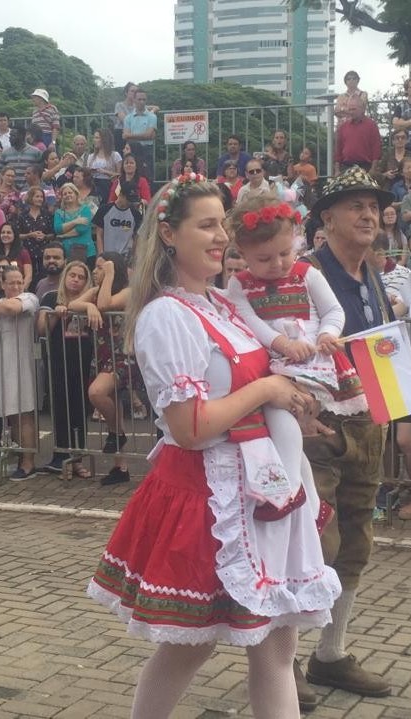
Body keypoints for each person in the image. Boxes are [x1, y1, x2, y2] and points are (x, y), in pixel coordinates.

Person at [87, 176, 341, 718]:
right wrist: (268, 389)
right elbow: (190, 427)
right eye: (206, 224)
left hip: (262, 486)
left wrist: (295, 402)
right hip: (212, 494)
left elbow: (253, 387)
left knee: (277, 643)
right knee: (189, 643)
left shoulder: (224, 305)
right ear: (169, 235)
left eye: (222, 223)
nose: (221, 235)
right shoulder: (167, 316)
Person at [297, 167, 395, 703]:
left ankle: (330, 656)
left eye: (373, 206)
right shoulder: (302, 273)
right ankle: (280, 661)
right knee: (309, 541)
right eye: (353, 205)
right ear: (327, 218)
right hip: (318, 423)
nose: (367, 214)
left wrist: (390, 413)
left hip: (366, 419)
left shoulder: (373, 273)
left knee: (355, 539)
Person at [226, 195, 361, 536]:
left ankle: (284, 493)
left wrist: (329, 334)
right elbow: (249, 322)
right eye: (264, 258)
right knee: (281, 424)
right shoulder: (239, 285)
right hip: (275, 363)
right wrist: (282, 343)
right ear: (242, 253)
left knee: (282, 419)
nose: (278, 264)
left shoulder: (306, 274)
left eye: (285, 253)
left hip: (311, 363)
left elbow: (334, 310)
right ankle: (305, 501)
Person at [68, 253, 137, 485]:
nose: (95, 272)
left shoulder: (127, 291)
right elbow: (72, 304)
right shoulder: (97, 291)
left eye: (100, 268)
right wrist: (89, 305)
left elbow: (107, 305)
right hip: (101, 354)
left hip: (122, 355)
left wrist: (109, 275)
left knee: (96, 392)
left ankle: (117, 434)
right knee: (112, 401)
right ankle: (121, 467)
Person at [37, 259, 93, 476]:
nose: (76, 280)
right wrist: (54, 314)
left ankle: (78, 458)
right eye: (73, 275)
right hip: (58, 360)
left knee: (80, 410)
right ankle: (60, 456)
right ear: (65, 277)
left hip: (83, 360)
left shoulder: (90, 300)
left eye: (81, 277)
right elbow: (41, 329)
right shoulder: (51, 297)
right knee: (60, 408)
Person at [0, 266, 39, 480]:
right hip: (1, 366)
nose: (16, 286)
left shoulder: (30, 297)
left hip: (22, 366)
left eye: (19, 282)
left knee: (24, 414)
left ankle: (28, 463)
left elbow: (12, 309)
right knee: (11, 416)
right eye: (11, 283)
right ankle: (19, 457)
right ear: (2, 284)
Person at [16, 186, 54, 286]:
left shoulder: (47, 215)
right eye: (37, 196)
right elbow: (17, 235)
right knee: (30, 279)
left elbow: (53, 234)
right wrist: (29, 235)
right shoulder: (22, 216)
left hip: (44, 253)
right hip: (28, 253)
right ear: (31, 198)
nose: (40, 199)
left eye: (41, 197)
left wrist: (45, 236)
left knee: (44, 278)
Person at [334, 97, 381, 174]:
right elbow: (338, 150)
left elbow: (376, 149)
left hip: (365, 167)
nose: (351, 112)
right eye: (349, 109)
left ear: (362, 109)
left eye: (354, 109)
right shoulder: (343, 127)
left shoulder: (371, 125)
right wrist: (337, 170)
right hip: (346, 167)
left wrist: (373, 169)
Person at [54, 183, 96, 262]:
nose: (67, 195)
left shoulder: (85, 209)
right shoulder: (59, 212)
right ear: (62, 197)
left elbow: (81, 229)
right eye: (65, 194)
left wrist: (63, 235)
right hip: (67, 252)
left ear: (76, 194)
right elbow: (58, 229)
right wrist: (75, 221)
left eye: (70, 192)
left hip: (87, 252)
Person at [122, 88, 157, 182]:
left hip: (146, 150)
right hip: (132, 150)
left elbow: (149, 135)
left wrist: (131, 135)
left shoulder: (152, 116)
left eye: (144, 99)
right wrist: (144, 135)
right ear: (134, 100)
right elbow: (125, 136)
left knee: (148, 177)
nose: (142, 102)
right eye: (139, 99)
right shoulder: (128, 118)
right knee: (130, 177)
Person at [0, 126, 43, 193]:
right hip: (10, 191)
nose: (10, 138)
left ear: (22, 136)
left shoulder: (36, 152)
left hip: (30, 191)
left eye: (13, 136)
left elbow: (41, 172)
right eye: (10, 136)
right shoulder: (5, 153)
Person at [86, 130, 122, 203]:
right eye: (94, 137)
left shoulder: (115, 155)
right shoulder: (91, 156)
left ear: (104, 140)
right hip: (93, 183)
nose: (94, 140)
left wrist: (105, 172)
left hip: (108, 184)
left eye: (97, 138)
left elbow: (120, 175)